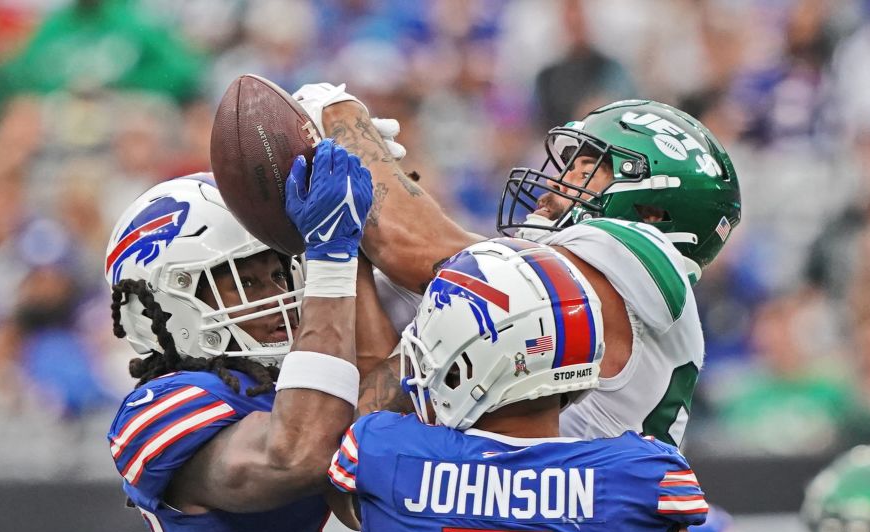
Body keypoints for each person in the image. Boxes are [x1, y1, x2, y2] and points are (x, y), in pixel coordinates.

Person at [327, 239, 718, 532]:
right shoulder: (638, 482)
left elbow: (359, 420)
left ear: (470, 362)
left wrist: (341, 257)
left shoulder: (387, 455)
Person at [102, 142, 401, 532]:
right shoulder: (158, 410)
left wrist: (352, 235)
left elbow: (382, 392)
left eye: (277, 271)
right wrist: (332, 262)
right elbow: (293, 455)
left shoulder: (310, 381)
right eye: (241, 281)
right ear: (158, 303)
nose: (276, 296)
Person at [295, 84, 741, 447]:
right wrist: (346, 244)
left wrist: (342, 120)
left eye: (585, 168)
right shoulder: (548, 305)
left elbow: (421, 250)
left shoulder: (641, 255)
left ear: (652, 212)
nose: (553, 186)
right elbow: (366, 423)